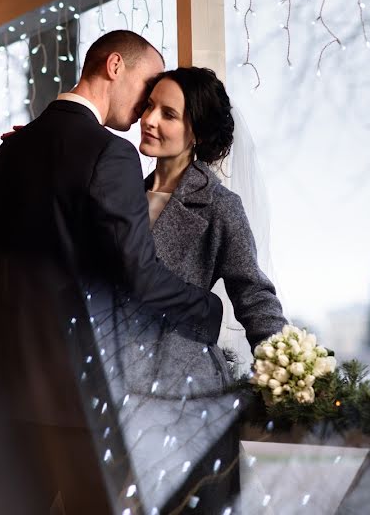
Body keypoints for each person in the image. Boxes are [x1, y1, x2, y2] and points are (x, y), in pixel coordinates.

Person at [0, 31, 224, 515]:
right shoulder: (111, 154)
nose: (145, 108)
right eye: (147, 85)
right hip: (81, 401)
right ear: (114, 67)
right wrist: (210, 310)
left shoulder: (6, 153)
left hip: (8, 393)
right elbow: (140, 276)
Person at [95, 66, 288, 513]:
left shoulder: (221, 206)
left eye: (169, 114)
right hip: (117, 396)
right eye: (148, 106)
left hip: (189, 400)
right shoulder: (121, 196)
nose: (149, 120)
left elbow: (254, 295)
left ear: (196, 132)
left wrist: (288, 369)